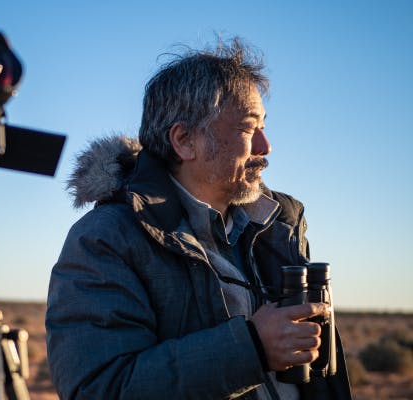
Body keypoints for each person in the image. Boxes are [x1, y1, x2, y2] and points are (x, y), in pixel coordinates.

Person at [46, 37, 352, 399]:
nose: (265, 147)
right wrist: (251, 349)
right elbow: (100, 389)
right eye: (248, 128)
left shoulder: (278, 225)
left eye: (264, 127)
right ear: (185, 140)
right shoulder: (106, 239)